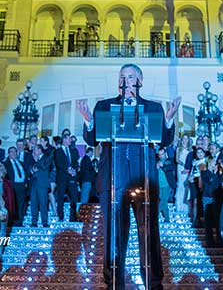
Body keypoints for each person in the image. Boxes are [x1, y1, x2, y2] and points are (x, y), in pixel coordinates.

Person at [77, 63, 179, 290]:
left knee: (149, 235)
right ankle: (113, 283)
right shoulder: (104, 106)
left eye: (131, 76)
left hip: (144, 179)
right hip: (112, 180)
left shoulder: (153, 108)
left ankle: (153, 284)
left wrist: (169, 120)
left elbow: (164, 139)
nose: (127, 80)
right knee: (114, 236)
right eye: (123, 77)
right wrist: (88, 121)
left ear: (140, 81)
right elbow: (92, 140)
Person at [54, 133, 80, 221]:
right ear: (64, 140)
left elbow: (75, 162)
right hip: (62, 178)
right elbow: (58, 163)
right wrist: (67, 169)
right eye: (69, 139)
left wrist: (74, 170)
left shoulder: (72, 150)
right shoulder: (58, 151)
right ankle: (60, 217)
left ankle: (73, 217)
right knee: (60, 197)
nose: (70, 140)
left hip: (71, 177)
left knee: (74, 197)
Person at [29, 147, 52, 227]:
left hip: (42, 184)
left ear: (39, 150)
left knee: (43, 203)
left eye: (34, 150)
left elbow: (44, 167)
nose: (33, 151)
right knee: (33, 203)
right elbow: (31, 169)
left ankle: (44, 222)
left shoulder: (47, 158)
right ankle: (34, 222)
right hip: (34, 184)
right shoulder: (33, 158)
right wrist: (32, 170)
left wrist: (37, 160)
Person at [4, 146, 28, 226]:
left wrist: (25, 183)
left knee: (21, 204)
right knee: (13, 204)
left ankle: (19, 222)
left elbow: (25, 174)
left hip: (22, 186)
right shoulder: (5, 164)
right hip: (12, 186)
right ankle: (11, 222)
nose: (13, 153)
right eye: (11, 151)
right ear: (8, 153)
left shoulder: (21, 163)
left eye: (15, 151)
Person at [175, 135, 192, 213]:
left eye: (186, 139)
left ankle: (186, 207)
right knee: (180, 185)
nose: (185, 140)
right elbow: (177, 159)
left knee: (187, 186)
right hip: (181, 167)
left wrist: (188, 167)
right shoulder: (179, 149)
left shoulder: (190, 149)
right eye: (183, 139)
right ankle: (179, 205)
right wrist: (184, 165)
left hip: (188, 168)